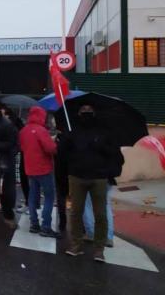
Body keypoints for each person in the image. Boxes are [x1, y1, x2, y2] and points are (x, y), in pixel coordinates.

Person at [62, 104, 120, 262]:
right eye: (83, 110)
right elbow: (63, 154)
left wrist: (101, 148)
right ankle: (76, 245)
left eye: (89, 110)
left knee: (100, 214)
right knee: (75, 213)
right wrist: (66, 141)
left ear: (94, 113)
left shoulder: (104, 132)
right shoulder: (72, 131)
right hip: (77, 176)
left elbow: (114, 154)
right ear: (78, 113)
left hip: (98, 177)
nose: (86, 112)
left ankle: (99, 249)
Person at [19, 106, 61, 238]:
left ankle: (34, 224)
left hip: (30, 168)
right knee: (49, 197)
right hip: (43, 168)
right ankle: (46, 226)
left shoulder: (24, 130)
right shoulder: (42, 130)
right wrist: (54, 143)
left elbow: (22, 147)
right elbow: (51, 149)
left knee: (32, 196)